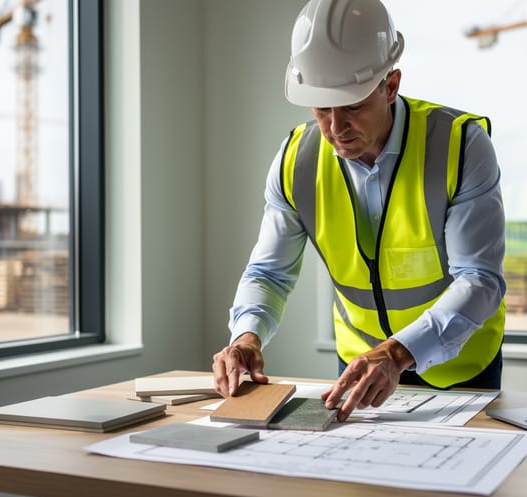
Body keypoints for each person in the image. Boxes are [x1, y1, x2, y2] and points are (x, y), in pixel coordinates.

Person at [212, 0, 506, 422]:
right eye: (320, 108)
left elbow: (480, 280)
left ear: (391, 85)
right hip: (358, 369)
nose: (334, 128)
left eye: (351, 106)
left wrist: (395, 353)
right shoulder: (297, 160)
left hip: (462, 370)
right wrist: (246, 338)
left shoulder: (461, 146)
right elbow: (268, 274)